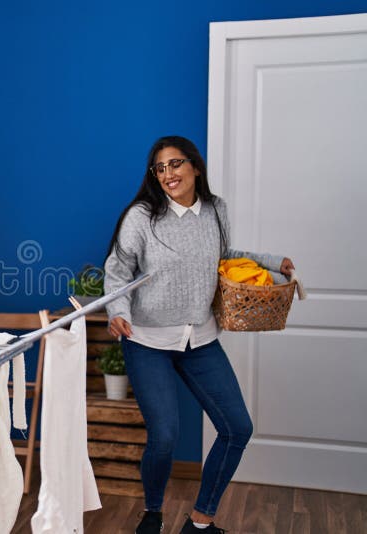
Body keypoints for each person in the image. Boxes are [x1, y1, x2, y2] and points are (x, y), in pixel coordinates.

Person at [103, 136, 294, 534]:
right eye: (160, 168)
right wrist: (117, 312)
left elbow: (223, 255)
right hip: (148, 341)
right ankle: (152, 513)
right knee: (165, 436)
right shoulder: (142, 216)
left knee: (237, 428)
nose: (168, 174)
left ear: (195, 167)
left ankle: (201, 522)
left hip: (200, 338)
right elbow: (118, 270)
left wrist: (274, 262)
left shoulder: (216, 210)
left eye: (175, 165)